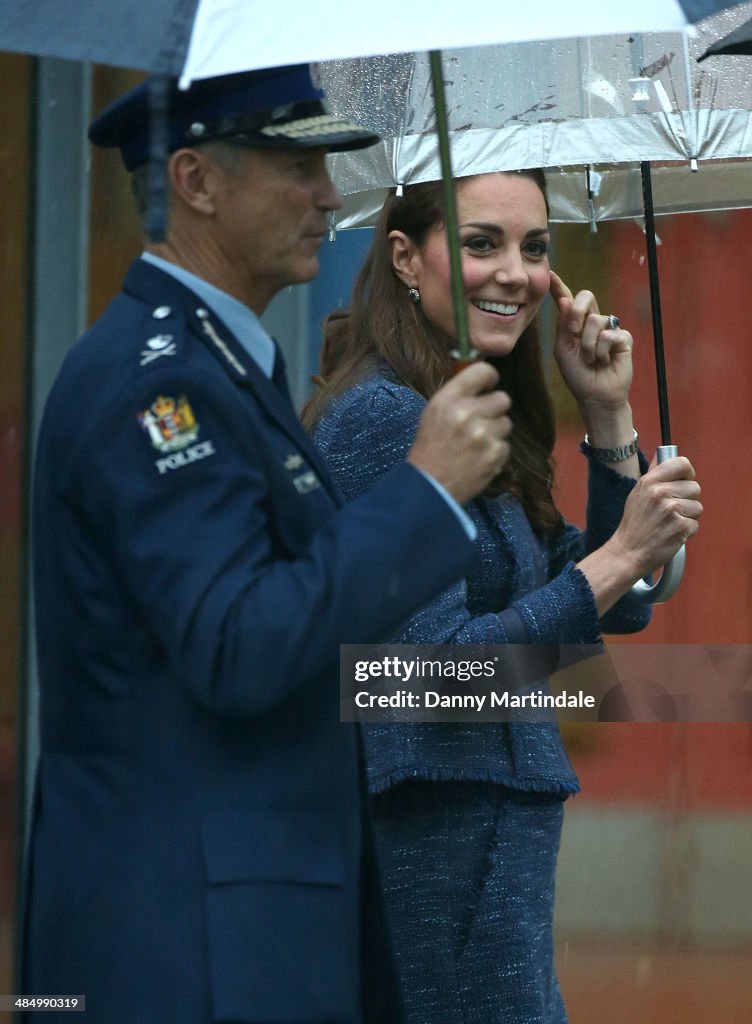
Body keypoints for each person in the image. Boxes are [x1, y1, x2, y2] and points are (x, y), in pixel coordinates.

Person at [22, 68, 515, 1024]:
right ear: (198, 181)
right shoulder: (155, 383)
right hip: (183, 951)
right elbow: (238, 646)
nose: (330, 195)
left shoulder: (216, 361)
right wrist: (424, 491)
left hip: (227, 934)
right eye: (297, 166)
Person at [304, 170, 703, 1024]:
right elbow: (440, 680)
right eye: (482, 242)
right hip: (440, 833)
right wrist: (622, 554)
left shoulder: (465, 403)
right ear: (407, 257)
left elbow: (616, 603)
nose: (515, 273)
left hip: (488, 837)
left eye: (534, 247)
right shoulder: (384, 417)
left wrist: (608, 421)